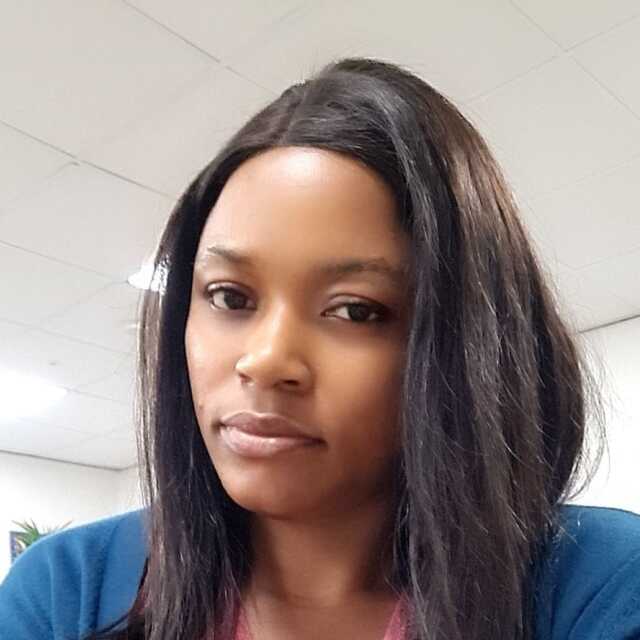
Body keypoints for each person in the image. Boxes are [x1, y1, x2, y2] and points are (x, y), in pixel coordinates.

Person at [1, 57, 639, 640]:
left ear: (468, 347)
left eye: (356, 310)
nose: (265, 360)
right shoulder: (66, 591)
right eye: (229, 296)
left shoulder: (600, 586)